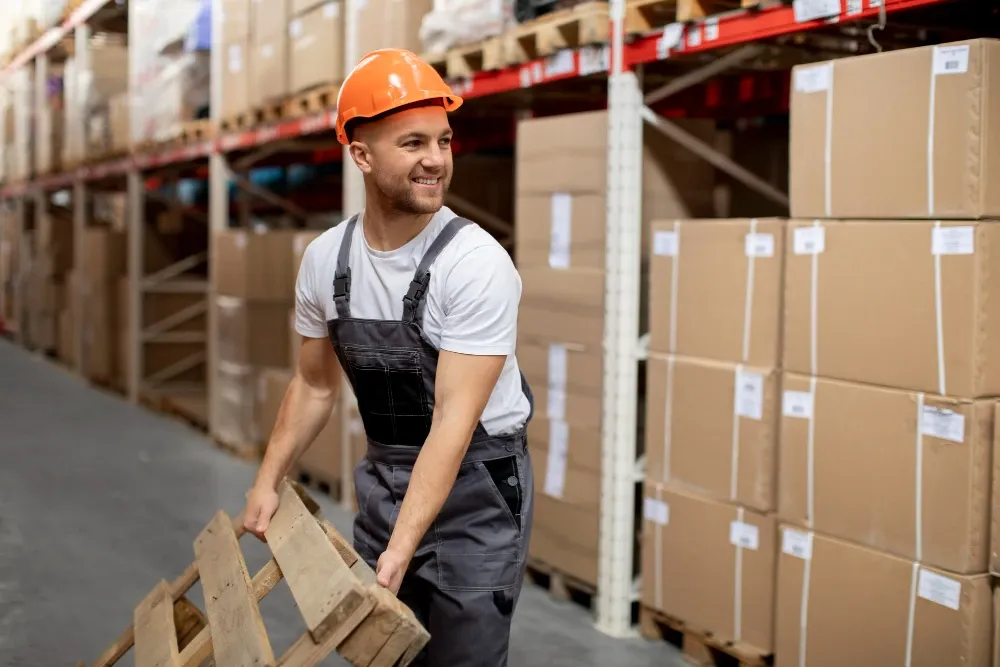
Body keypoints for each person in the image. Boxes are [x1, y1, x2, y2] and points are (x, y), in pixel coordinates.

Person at [239, 48, 535, 667]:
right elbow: (314, 385)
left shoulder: (475, 265)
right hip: (386, 480)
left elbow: (454, 424)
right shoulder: (326, 260)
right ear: (362, 155)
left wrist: (402, 545)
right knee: (383, 655)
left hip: (475, 493)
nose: (435, 160)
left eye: (444, 140)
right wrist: (268, 482)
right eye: (413, 143)